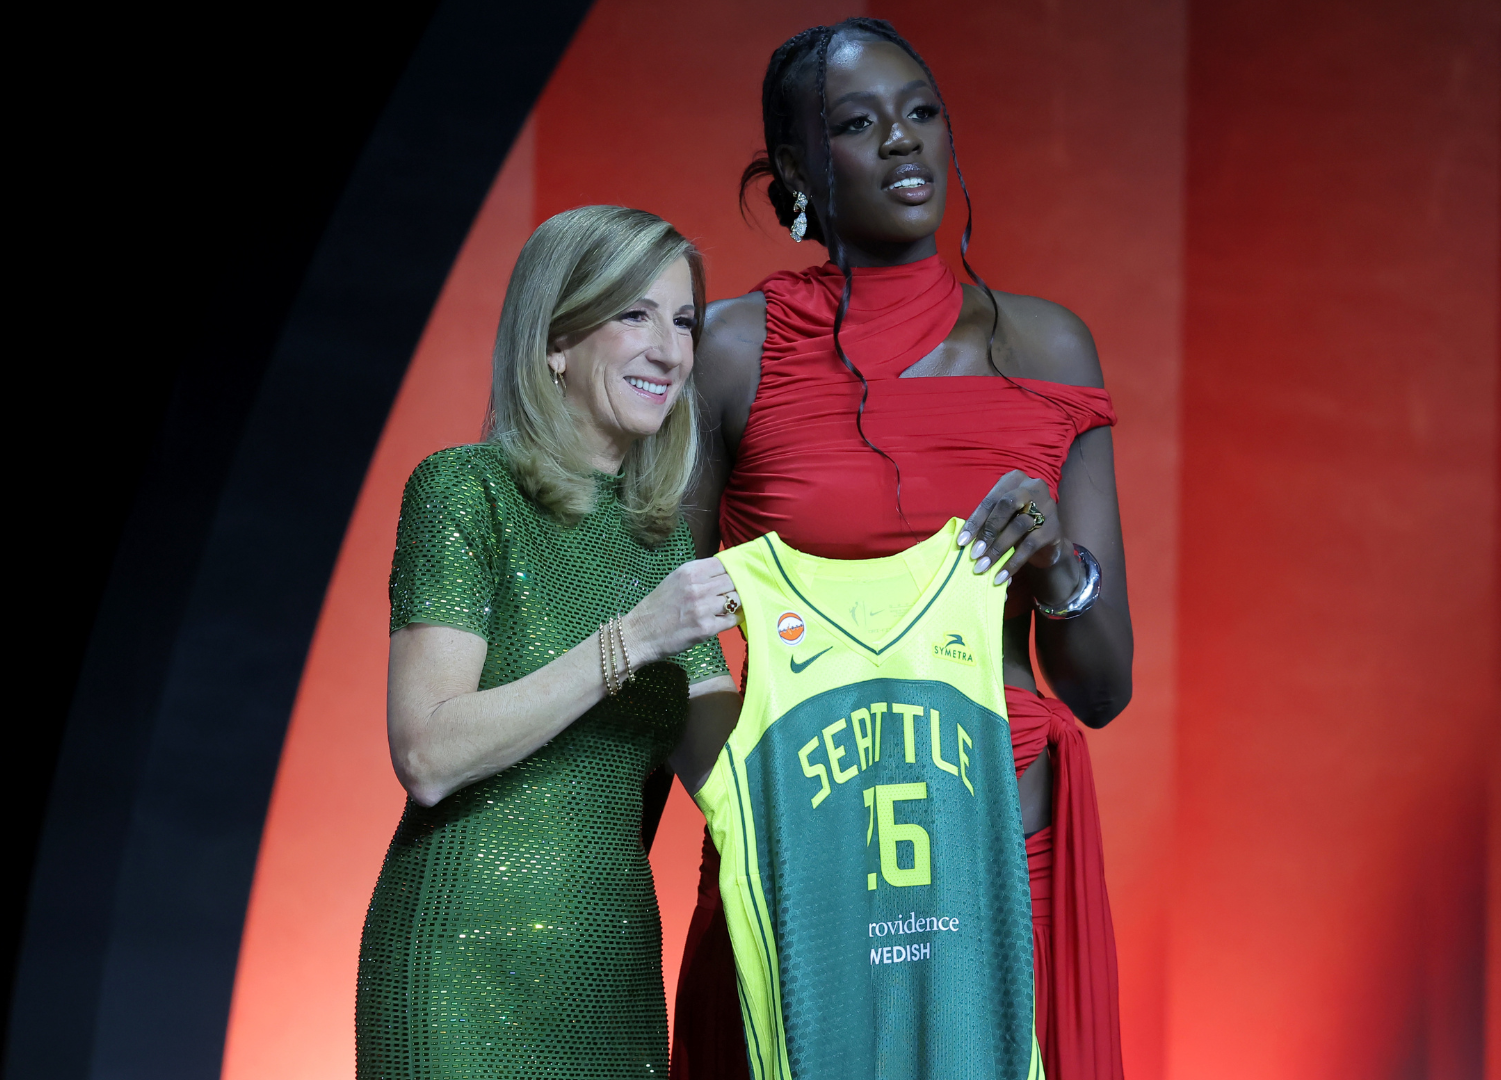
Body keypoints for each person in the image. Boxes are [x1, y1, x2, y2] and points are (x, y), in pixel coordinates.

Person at [672, 19, 1132, 1080]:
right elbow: (673, 630)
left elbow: (1104, 689)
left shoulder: (1048, 347)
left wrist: (1056, 570)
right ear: (796, 169)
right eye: (856, 122)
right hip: (807, 858)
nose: (900, 139)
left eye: (922, 112)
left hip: (1007, 859)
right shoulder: (733, 352)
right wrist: (746, 810)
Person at [357, 206, 745, 1079]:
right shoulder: (466, 490)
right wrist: (636, 636)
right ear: (556, 341)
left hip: (612, 977)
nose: (670, 351)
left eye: (685, 322)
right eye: (635, 315)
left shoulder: (660, 547)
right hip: (461, 968)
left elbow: (734, 783)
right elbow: (427, 754)